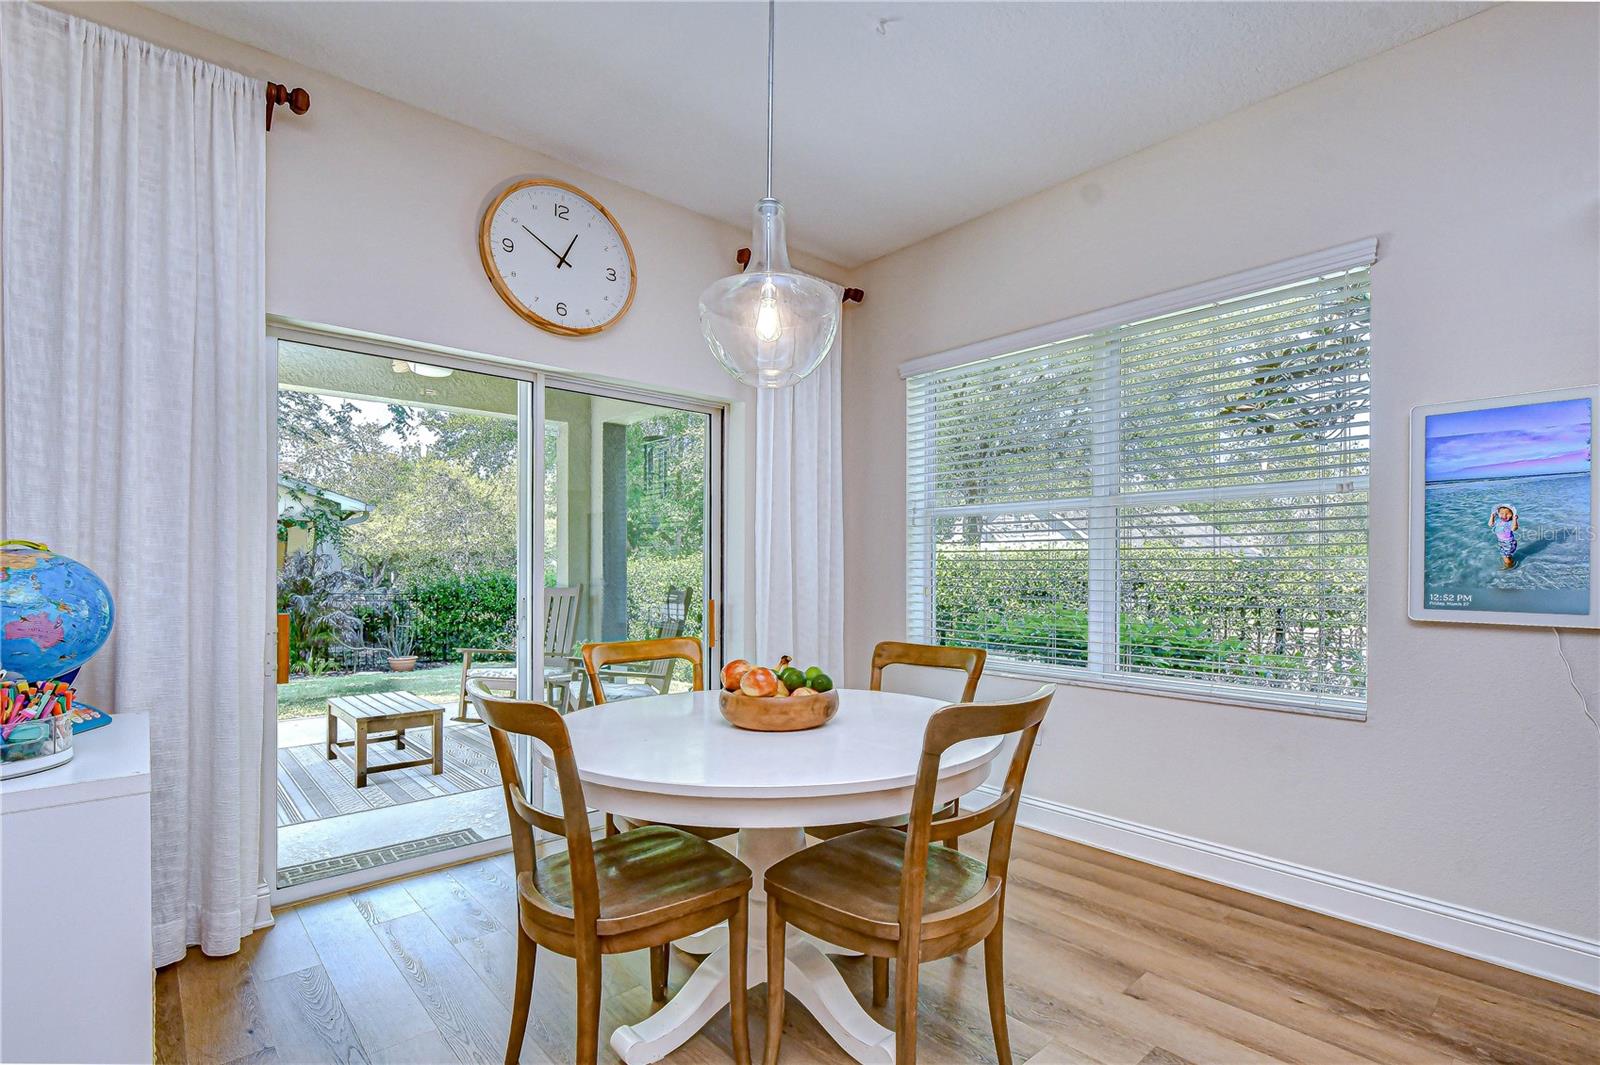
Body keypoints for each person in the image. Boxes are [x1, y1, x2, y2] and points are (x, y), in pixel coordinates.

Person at [1489, 504, 1519, 569]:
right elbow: (1490, 525)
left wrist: (1515, 519)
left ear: (1512, 514)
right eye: (1502, 513)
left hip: (1509, 543)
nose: (1504, 516)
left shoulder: (1510, 522)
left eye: (1507, 514)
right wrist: (1492, 516)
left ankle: (1509, 567)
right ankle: (1511, 562)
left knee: (1504, 556)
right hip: (1501, 542)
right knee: (1507, 555)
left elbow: (1514, 528)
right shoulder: (1498, 521)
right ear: (1498, 513)